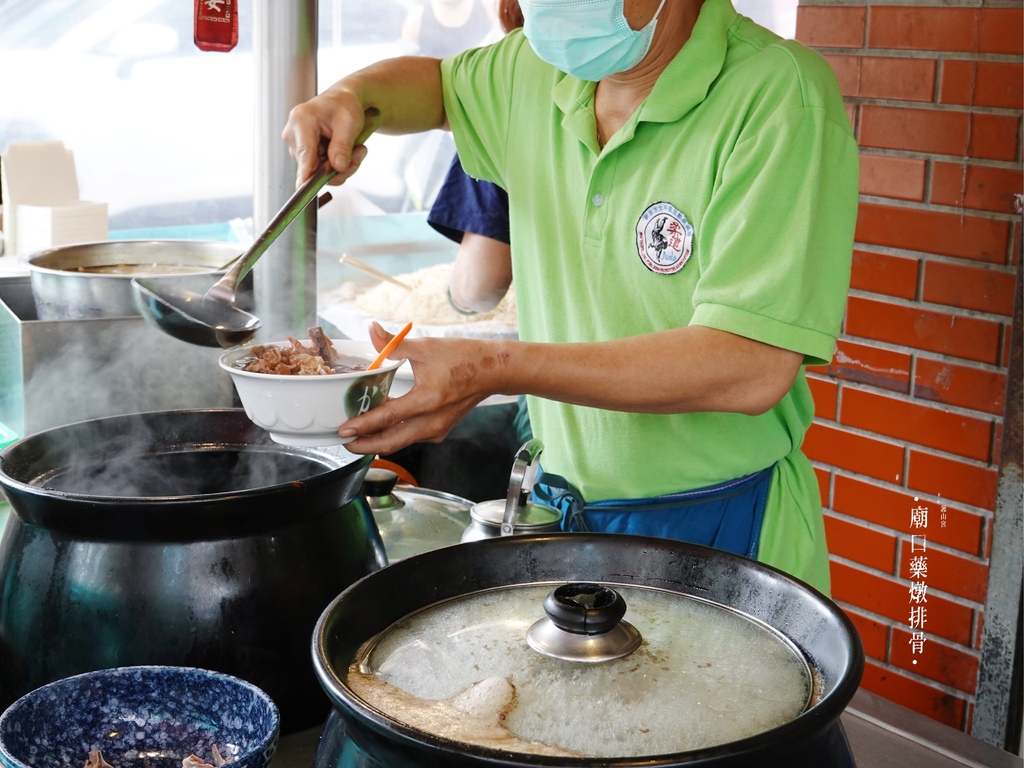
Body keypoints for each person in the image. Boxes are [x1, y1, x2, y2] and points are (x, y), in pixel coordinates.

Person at [283, 0, 859, 593]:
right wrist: (349, 96)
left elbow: (748, 365)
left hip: (723, 524)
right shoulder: (535, 71)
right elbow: (436, 86)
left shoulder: (779, 96)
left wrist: (498, 367)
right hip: (564, 515)